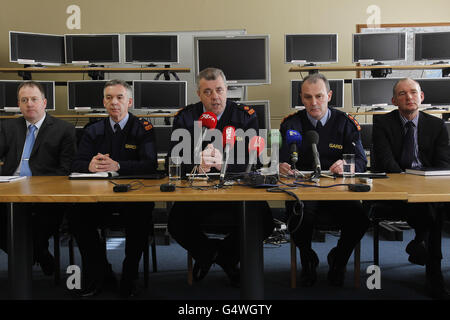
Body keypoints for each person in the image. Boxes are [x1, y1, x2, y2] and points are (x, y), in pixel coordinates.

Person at [167, 68, 274, 287]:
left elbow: (252, 160)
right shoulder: (186, 116)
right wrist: (198, 164)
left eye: (219, 90)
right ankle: (215, 256)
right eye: (208, 92)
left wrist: (222, 163)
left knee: (265, 222)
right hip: (198, 192)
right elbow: (174, 159)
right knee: (176, 223)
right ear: (199, 94)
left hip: (237, 191)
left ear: (227, 90)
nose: (215, 96)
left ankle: (221, 257)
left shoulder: (246, 115)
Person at [68, 79, 158, 298]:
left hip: (132, 197)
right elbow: (75, 164)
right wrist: (89, 166)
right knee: (76, 216)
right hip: (99, 197)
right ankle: (101, 272)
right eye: (109, 98)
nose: (114, 102)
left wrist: (119, 166)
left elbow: (150, 164)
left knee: (141, 216)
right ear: (103, 102)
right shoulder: (93, 129)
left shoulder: (143, 128)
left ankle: (130, 276)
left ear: (129, 101)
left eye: (119, 97)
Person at [279, 73, 369, 287]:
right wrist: (281, 166)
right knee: (298, 217)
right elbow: (280, 160)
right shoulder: (291, 124)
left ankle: (338, 259)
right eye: (308, 97)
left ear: (329, 95)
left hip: (338, 190)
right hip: (303, 191)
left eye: (319, 96)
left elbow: (361, 162)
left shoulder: (346, 123)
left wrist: (348, 166)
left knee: (360, 220)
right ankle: (307, 259)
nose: (314, 103)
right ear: (301, 98)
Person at [372, 78, 450, 299]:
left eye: (413, 92)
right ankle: (431, 269)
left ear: (422, 97)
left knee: (431, 205)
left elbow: (443, 163)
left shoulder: (437, 126)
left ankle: (422, 246)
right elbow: (387, 162)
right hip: (393, 191)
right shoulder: (382, 124)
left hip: (427, 189)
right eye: (403, 94)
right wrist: (409, 184)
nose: (409, 97)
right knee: (433, 211)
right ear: (394, 100)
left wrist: (421, 183)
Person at [0, 81, 76, 276]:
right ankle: (40, 254)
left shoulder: (64, 129)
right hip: (10, 190)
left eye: (34, 99)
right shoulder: (7, 127)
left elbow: (65, 169)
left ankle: (30, 256)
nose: (29, 104)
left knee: (43, 222)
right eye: (24, 100)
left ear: (44, 102)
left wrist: (36, 184)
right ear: (18, 104)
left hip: (45, 194)